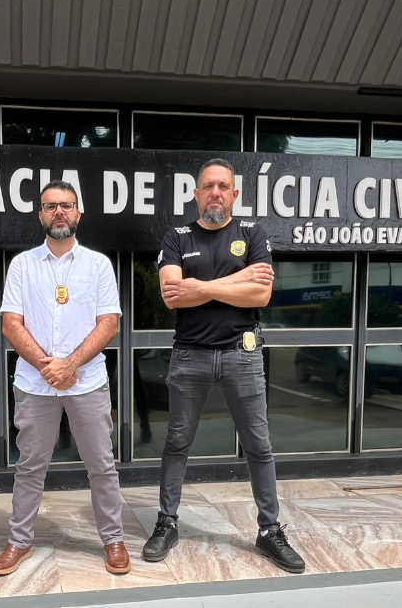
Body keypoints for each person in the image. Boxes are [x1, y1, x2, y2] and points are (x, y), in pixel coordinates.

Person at [142, 158, 305, 574]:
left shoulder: (252, 234)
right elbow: (172, 296)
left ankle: (269, 530)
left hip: (242, 355)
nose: (215, 192)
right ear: (197, 194)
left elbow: (261, 296)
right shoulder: (177, 237)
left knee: (259, 446)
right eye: (208, 186)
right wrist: (237, 279)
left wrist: (200, 286)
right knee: (177, 442)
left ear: (234, 194)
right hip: (189, 355)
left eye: (222, 186)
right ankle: (167, 522)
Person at [0, 180, 128, 576]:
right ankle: (19, 541)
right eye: (51, 206)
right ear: (40, 215)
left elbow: (109, 323)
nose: (59, 213)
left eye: (66, 205)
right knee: (30, 467)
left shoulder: (98, 265)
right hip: (35, 385)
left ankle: (113, 539)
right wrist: (47, 366)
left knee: (101, 465)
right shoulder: (22, 265)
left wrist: (70, 365)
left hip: (87, 382)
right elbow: (10, 324)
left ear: (78, 213)